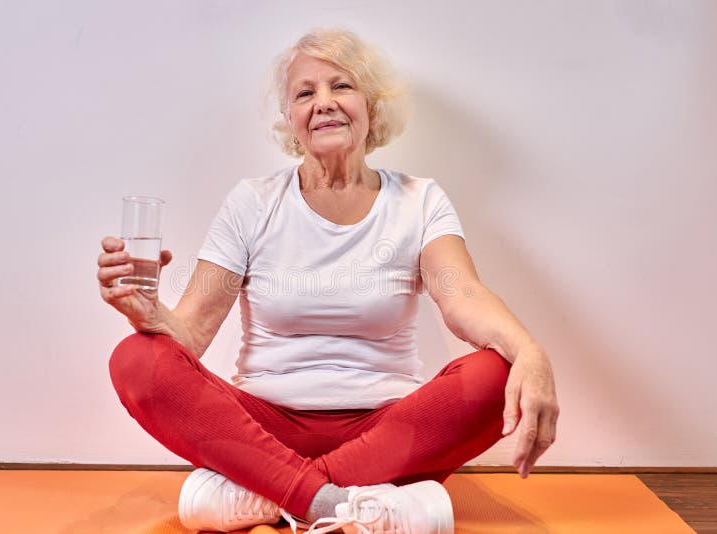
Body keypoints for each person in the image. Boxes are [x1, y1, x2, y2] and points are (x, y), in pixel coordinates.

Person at [97, 29, 558, 534]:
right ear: (291, 121)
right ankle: (361, 505)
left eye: (341, 86)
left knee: (496, 373)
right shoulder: (252, 202)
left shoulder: (419, 200)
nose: (323, 103)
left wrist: (530, 351)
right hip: (262, 428)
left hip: (387, 431)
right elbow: (192, 331)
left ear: (371, 106)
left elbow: (462, 294)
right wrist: (151, 316)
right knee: (136, 358)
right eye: (304, 92)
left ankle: (267, 496)